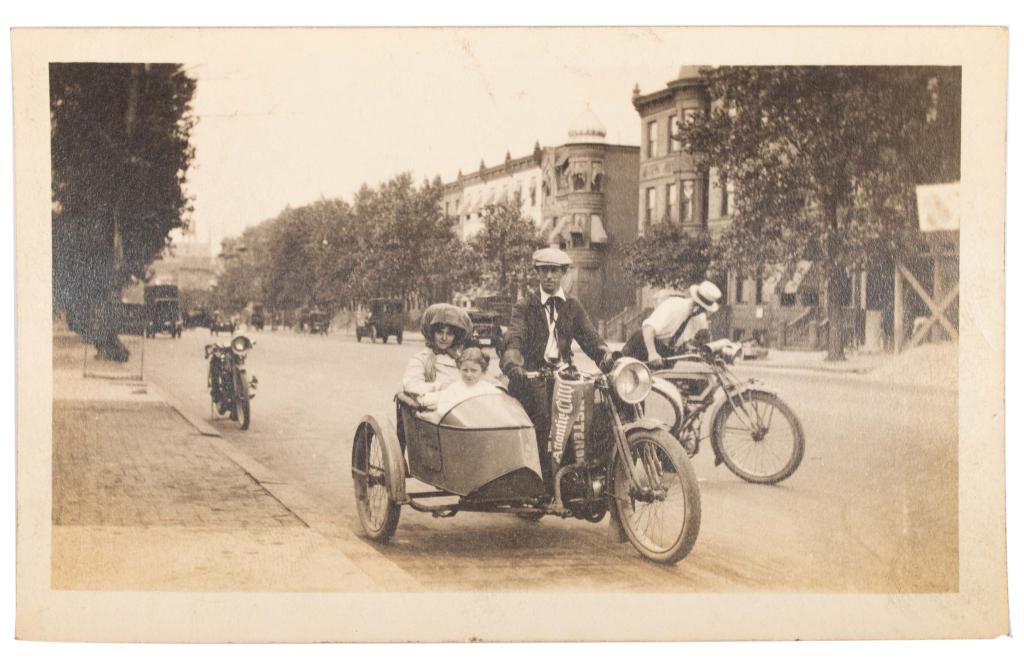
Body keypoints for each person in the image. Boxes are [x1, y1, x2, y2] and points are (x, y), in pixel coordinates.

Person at [501, 247, 614, 492]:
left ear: (564, 273)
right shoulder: (525, 305)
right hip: (531, 376)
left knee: (596, 412)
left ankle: (584, 476)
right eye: (544, 271)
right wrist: (513, 363)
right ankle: (544, 483)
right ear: (537, 273)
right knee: (543, 418)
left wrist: (606, 357)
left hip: (564, 376)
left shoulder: (572, 305)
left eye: (554, 271)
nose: (549, 276)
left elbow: (590, 338)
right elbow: (514, 336)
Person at [621, 280, 723, 369]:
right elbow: (648, 328)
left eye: (703, 309)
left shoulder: (700, 317)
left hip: (666, 354)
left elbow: (686, 340)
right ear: (694, 300)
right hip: (644, 346)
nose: (699, 310)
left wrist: (689, 348)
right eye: (697, 305)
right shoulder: (673, 305)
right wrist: (652, 353)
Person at [402, 303, 474, 398]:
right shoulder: (421, 359)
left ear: (456, 336)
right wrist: (440, 386)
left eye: (449, 333)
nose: (444, 338)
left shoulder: (462, 359)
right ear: (432, 333)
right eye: (440, 332)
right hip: (437, 409)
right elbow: (412, 386)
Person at [419, 347, 501, 415]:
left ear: (483, 371)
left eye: (473, 370)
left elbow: (498, 408)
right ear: (459, 369)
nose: (468, 374)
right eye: (465, 370)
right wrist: (423, 399)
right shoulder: (455, 388)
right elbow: (442, 403)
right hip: (461, 426)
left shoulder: (489, 389)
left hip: (482, 425)